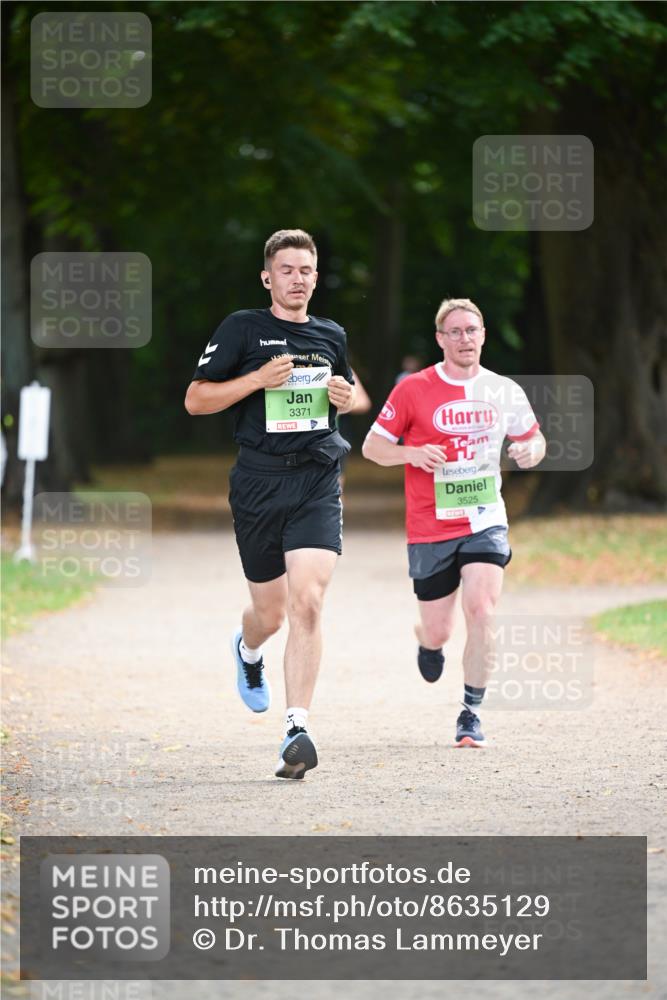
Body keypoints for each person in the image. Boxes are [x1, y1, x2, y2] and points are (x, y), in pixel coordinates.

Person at [185, 229, 355, 778]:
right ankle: (249, 651)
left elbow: (346, 393)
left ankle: (296, 729)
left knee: (308, 601)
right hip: (258, 482)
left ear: (315, 276)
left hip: (316, 479)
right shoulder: (243, 328)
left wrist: (345, 397)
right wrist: (256, 378)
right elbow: (196, 400)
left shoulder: (331, 334)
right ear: (268, 277)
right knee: (271, 613)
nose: (298, 279)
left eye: (306, 270)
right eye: (287, 269)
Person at [362, 297, 545, 747]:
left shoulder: (505, 389)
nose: (465, 339)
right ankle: (428, 641)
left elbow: (534, 438)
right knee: (441, 627)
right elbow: (372, 447)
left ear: (483, 335)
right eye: (455, 332)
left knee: (482, 609)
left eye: (472, 330)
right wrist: (411, 453)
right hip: (430, 526)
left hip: (485, 518)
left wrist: (529, 452)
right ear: (441, 339)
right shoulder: (413, 389)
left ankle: (471, 712)